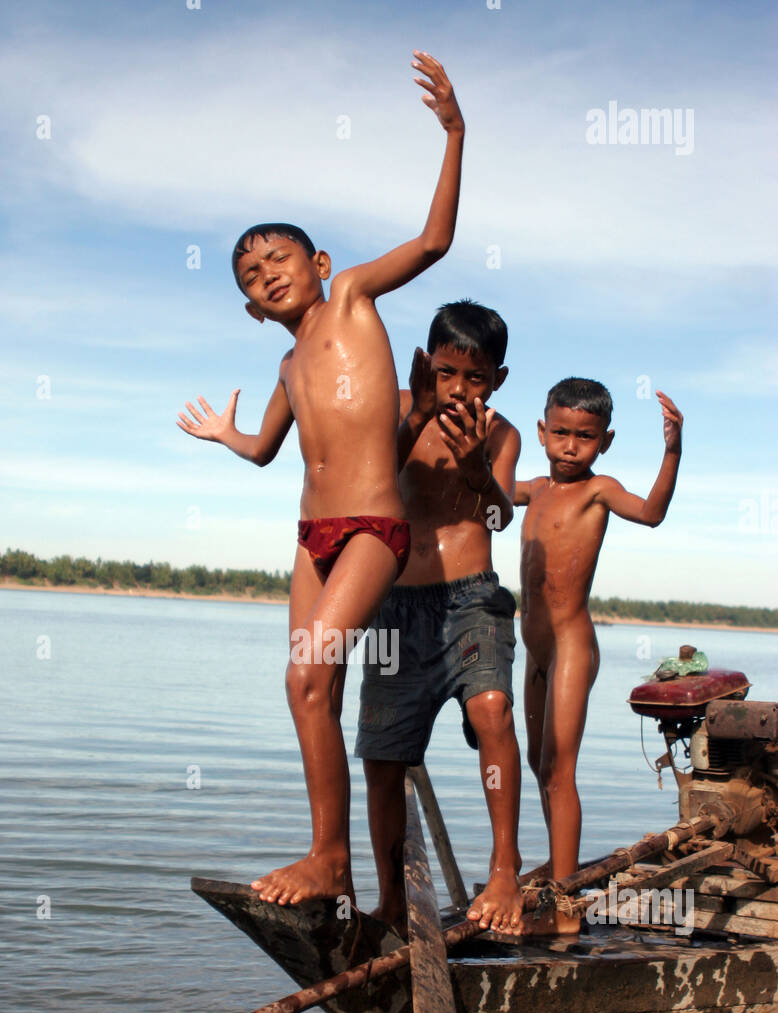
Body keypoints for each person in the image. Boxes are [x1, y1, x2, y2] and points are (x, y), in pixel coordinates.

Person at [176, 53, 465, 907]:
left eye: (277, 258)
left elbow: (435, 241)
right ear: (251, 306)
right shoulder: (288, 361)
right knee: (311, 688)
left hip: (375, 526)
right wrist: (230, 435)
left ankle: (329, 861)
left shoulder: (349, 300)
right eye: (251, 277)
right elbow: (269, 450)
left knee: (308, 676)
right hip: (311, 538)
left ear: (319, 260)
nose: (267, 274)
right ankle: (333, 863)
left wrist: (453, 133)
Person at [356, 300, 523, 932]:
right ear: (426, 364)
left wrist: (481, 470)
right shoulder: (398, 409)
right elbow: (371, 479)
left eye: (474, 378)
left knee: (492, 711)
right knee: (381, 750)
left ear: (497, 380)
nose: (458, 389)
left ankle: (504, 871)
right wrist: (418, 414)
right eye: (446, 372)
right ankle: (391, 901)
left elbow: (500, 516)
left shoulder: (500, 433)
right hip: (395, 602)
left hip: (471, 596)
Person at [516, 377, 683, 932]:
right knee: (541, 768)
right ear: (542, 432)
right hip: (534, 652)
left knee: (560, 769)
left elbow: (653, 513)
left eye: (583, 437)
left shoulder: (598, 489)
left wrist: (672, 450)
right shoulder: (535, 489)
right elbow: (483, 493)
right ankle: (558, 868)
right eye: (559, 433)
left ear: (604, 441)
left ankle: (565, 905)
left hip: (570, 647)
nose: (569, 446)